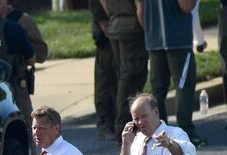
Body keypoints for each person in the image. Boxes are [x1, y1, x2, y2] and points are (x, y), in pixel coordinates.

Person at [136, 0, 206, 147]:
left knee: (158, 90)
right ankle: (184, 134)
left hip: (154, 40)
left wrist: (150, 30)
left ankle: (159, 134)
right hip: (177, 38)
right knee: (183, 86)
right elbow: (186, 6)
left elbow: (140, 10)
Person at [100, 0, 148, 142]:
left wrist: (112, 15)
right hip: (132, 28)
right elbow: (140, 6)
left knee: (124, 78)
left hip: (116, 25)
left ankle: (124, 126)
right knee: (131, 80)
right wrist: (146, 28)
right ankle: (125, 128)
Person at [88, 0, 119, 141]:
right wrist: (103, 22)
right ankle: (105, 123)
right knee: (105, 80)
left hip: (117, 25)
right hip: (106, 29)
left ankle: (117, 120)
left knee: (120, 78)